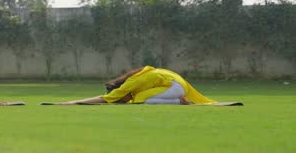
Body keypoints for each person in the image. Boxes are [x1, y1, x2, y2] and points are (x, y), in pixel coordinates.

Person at [55, 65, 216, 105]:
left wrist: (73, 102)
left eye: (120, 98)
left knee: (142, 99)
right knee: (140, 97)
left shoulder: (130, 85)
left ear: (120, 90)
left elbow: (104, 99)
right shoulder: (141, 75)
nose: (122, 100)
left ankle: (179, 101)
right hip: (179, 85)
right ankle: (179, 99)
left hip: (176, 88)